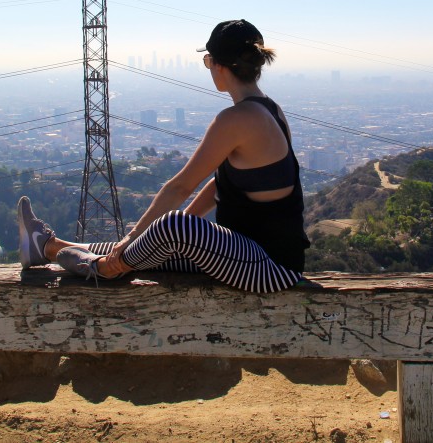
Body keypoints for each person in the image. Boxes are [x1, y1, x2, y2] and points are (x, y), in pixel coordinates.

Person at [17, 19, 310, 294]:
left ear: (219, 65)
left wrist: (147, 236)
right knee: (162, 235)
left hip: (269, 270)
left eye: (207, 61)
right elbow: (222, 184)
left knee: (169, 226)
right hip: (248, 255)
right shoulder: (270, 109)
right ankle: (46, 247)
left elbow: (179, 187)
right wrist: (174, 237)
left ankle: (105, 269)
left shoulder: (237, 118)